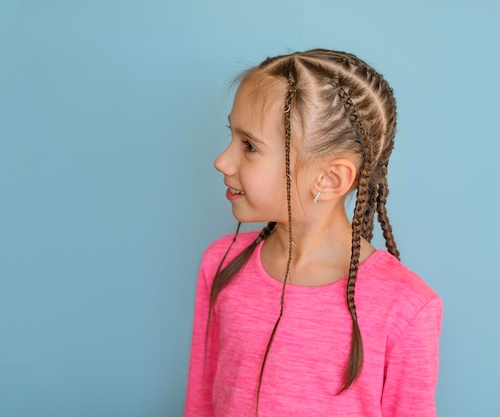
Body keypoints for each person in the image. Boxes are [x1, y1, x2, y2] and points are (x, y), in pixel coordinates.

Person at [184, 49, 443, 417]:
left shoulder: (406, 307)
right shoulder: (221, 263)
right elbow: (201, 402)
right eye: (232, 137)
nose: (222, 161)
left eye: (250, 146)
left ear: (329, 178)